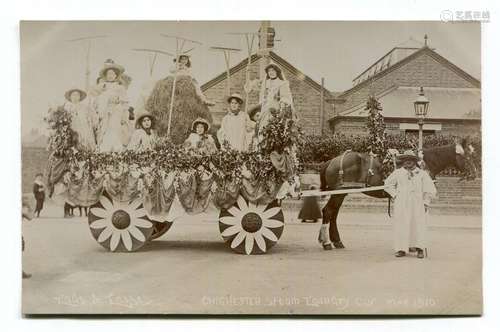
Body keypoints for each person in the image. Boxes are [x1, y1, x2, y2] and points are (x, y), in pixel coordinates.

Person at [384, 150, 437, 259]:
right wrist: (395, 195)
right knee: (402, 224)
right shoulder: (398, 173)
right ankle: (401, 249)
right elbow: (388, 184)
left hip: (417, 203)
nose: (407, 162)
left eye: (410, 159)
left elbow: (429, 189)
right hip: (402, 203)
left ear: (414, 161)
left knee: (418, 224)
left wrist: (426, 202)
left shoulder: (422, 174)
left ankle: (420, 248)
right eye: (405, 160)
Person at [92, 59, 131, 152]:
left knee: (115, 130)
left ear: (116, 75)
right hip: (104, 112)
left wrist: (118, 102)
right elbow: (94, 98)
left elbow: (125, 102)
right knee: (104, 130)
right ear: (105, 75)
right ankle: (104, 149)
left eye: (112, 74)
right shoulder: (102, 86)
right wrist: (104, 99)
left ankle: (116, 149)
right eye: (108, 74)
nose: (110, 76)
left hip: (116, 112)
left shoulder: (120, 87)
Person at [257, 63, 295, 136]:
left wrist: (282, 103)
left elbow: (285, 97)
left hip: (276, 108)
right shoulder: (265, 83)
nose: (271, 72)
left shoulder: (282, 83)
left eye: (273, 70)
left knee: (274, 127)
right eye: (269, 71)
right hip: (265, 108)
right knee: (261, 125)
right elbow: (262, 96)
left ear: (277, 72)